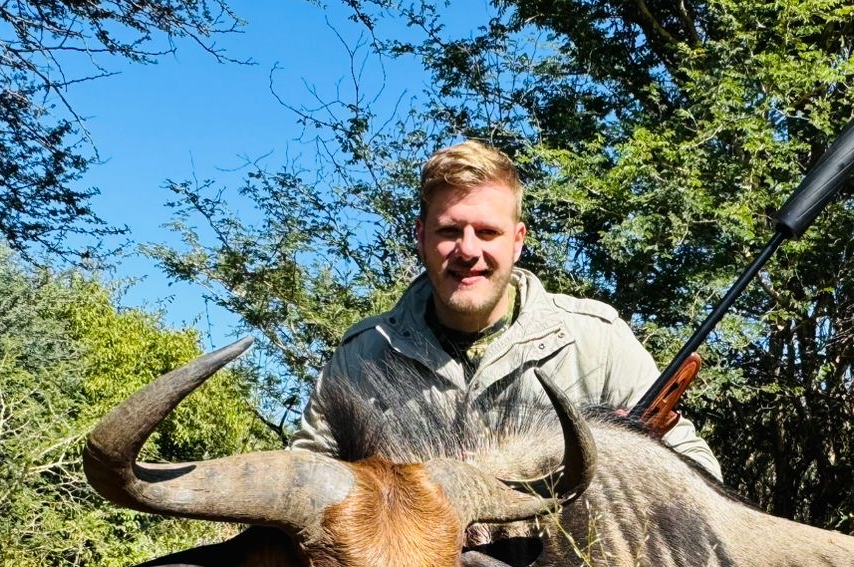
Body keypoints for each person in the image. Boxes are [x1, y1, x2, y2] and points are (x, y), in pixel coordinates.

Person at [288, 140, 721, 479]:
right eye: (450, 230)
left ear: (517, 240)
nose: (468, 250)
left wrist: (631, 463)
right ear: (420, 236)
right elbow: (305, 476)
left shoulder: (596, 341)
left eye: (488, 232)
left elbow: (699, 471)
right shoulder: (363, 355)